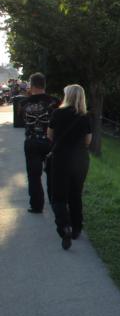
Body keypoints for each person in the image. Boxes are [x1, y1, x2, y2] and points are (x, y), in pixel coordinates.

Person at [47, 84, 92, 250]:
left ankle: (64, 226)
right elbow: (88, 141)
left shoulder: (57, 113)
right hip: (80, 160)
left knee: (58, 196)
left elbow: (50, 135)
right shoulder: (85, 117)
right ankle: (76, 228)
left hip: (61, 159)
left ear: (67, 96)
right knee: (75, 194)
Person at [21, 72, 59, 213]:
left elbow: (21, 120)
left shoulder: (24, 103)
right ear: (44, 85)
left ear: (32, 85)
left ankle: (37, 205)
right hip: (51, 142)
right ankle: (55, 202)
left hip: (32, 141)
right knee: (53, 174)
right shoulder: (55, 102)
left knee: (33, 176)